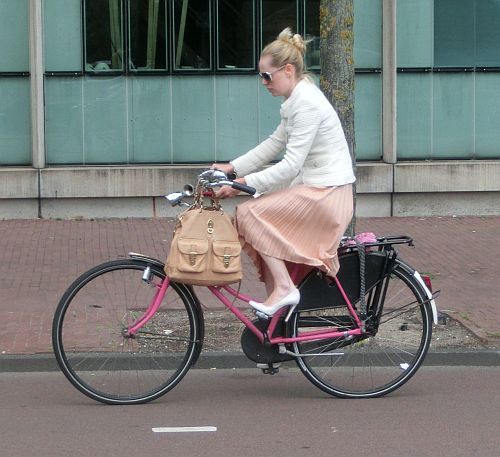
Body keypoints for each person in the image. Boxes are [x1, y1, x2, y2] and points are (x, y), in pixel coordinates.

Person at [212, 27, 355, 317]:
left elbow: (290, 164)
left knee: (250, 214)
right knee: (257, 220)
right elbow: (274, 143)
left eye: (267, 76)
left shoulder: (307, 105)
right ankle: (279, 319)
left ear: (287, 70)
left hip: (327, 195)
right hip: (316, 189)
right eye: (260, 76)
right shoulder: (295, 101)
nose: (263, 82)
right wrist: (232, 167)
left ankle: (286, 290)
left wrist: (240, 183)